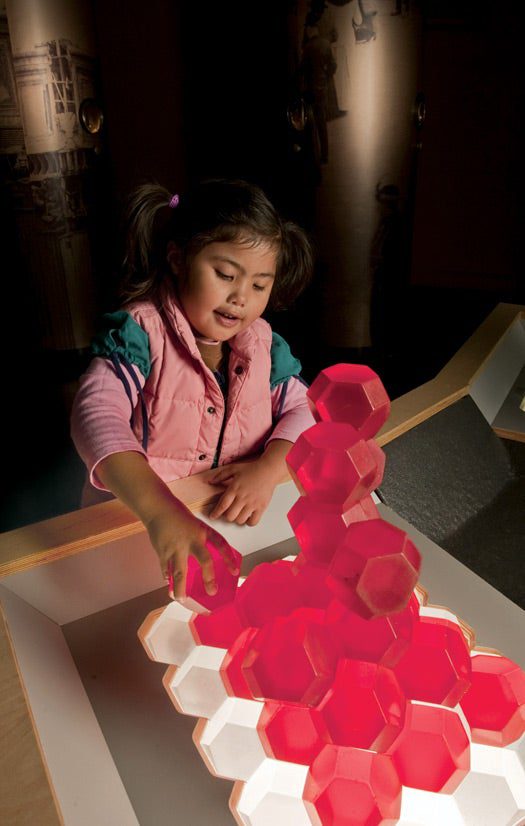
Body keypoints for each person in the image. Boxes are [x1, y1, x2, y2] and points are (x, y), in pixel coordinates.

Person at [71, 178, 315, 600]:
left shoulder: (265, 347)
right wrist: (160, 512)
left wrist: (268, 470)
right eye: (225, 274)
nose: (240, 297)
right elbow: (95, 416)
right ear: (178, 258)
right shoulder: (140, 333)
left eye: (259, 285)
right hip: (138, 528)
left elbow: (306, 410)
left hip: (226, 531)